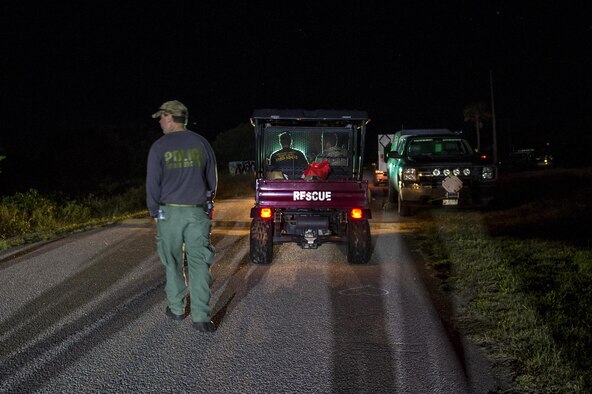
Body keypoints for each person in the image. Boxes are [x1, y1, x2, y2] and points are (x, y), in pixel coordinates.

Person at [146, 100, 218, 333]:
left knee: (173, 262)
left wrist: (153, 212)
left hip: (169, 212)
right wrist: (207, 204)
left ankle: (177, 309)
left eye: (161, 117)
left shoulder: (159, 146)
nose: (159, 122)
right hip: (197, 212)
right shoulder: (201, 142)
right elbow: (212, 180)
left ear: (169, 117)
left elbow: (152, 184)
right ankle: (201, 317)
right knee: (199, 262)